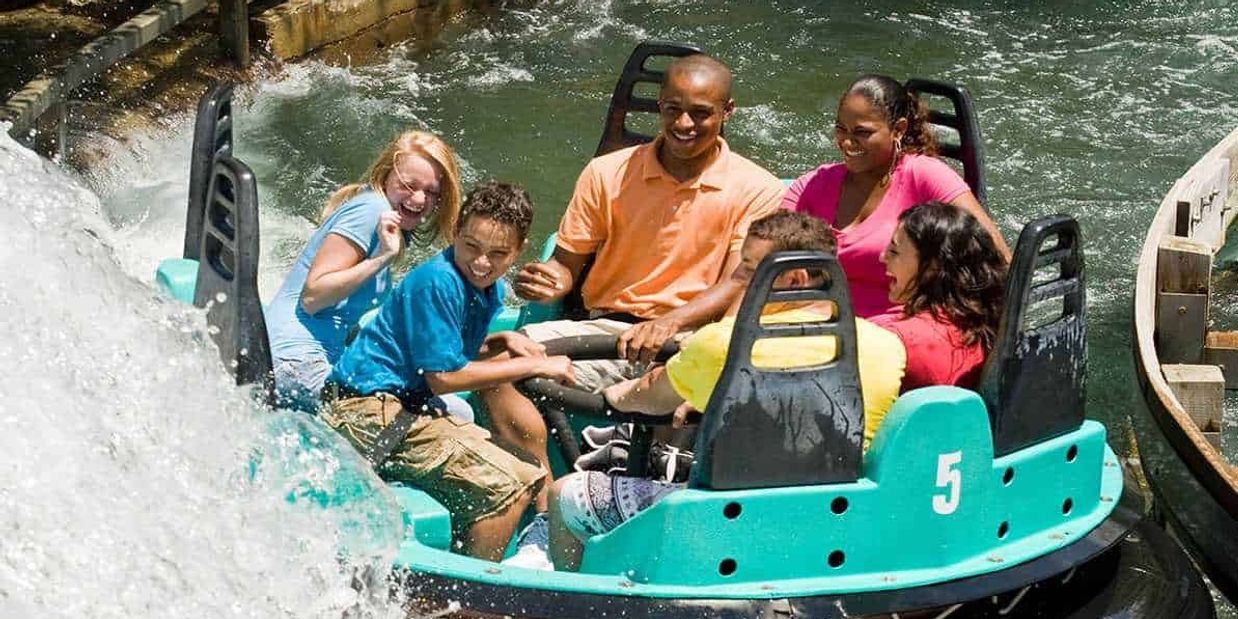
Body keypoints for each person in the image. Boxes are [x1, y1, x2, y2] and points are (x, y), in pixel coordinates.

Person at [530, 210, 908, 572]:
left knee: (566, 495)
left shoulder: (721, 345)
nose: (739, 277)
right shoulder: (884, 346)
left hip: (723, 520)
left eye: (750, 268)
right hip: (827, 520)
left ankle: (579, 603)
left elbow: (641, 399)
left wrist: (619, 393)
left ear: (794, 280)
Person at [482, 53, 785, 467]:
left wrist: (670, 324)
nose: (683, 125)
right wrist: (549, 278)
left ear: (727, 112)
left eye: (700, 114)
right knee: (493, 364)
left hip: (690, 341)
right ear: (659, 105)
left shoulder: (758, 189)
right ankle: (543, 489)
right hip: (606, 331)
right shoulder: (606, 173)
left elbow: (737, 282)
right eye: (673, 110)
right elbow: (567, 265)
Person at [321, 182, 574, 562]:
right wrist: (537, 363)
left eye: (498, 253)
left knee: (523, 466)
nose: (482, 263)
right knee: (512, 483)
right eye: (471, 246)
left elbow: (451, 353)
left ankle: (481, 548)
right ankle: (475, 595)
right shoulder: (437, 281)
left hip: (402, 407)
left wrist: (501, 341)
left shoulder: (488, 288)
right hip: (366, 413)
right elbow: (444, 377)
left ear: (519, 250)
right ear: (456, 230)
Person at [781, 74, 1008, 320]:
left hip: (897, 331)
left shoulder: (925, 175)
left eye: (861, 132)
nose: (846, 142)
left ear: (898, 129)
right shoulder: (815, 183)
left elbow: (999, 258)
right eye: (840, 129)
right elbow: (767, 253)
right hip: (815, 322)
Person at [264, 130, 463, 411]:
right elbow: (313, 297)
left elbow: (340, 313)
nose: (419, 200)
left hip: (312, 355)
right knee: (449, 412)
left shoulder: (382, 213)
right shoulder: (371, 211)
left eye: (431, 192)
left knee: (446, 405)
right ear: (385, 176)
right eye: (409, 185)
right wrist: (382, 257)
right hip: (295, 359)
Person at [873, 202, 1007, 391]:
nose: (882, 257)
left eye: (894, 251)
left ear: (932, 267)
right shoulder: (991, 325)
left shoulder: (895, 340)